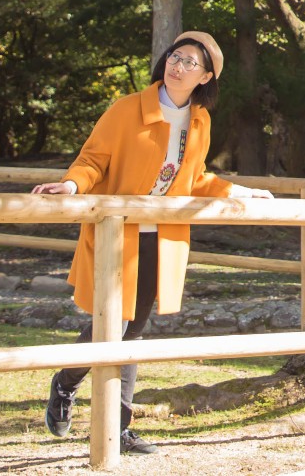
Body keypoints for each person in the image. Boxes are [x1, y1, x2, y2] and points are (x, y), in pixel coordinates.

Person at [32, 30, 273, 454]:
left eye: (190, 63)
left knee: (135, 329)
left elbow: (194, 179)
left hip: (161, 236)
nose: (178, 66)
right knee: (115, 323)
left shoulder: (200, 120)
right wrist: (71, 184)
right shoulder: (126, 109)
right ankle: (66, 384)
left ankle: (119, 426)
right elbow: (93, 160)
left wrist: (237, 192)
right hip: (115, 231)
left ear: (206, 77)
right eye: (175, 57)